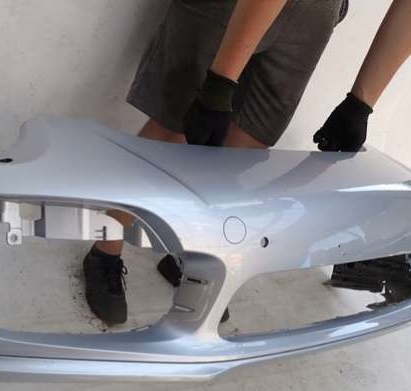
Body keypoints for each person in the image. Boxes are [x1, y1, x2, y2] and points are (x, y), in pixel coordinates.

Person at [83, 0, 411, 325]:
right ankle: (105, 249)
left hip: (314, 14)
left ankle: (189, 255)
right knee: (173, 125)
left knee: (248, 143)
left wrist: (360, 104)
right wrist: (219, 83)